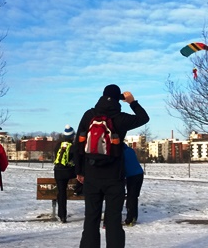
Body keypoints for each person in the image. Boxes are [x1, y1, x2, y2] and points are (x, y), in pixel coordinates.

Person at [75, 84, 149, 248]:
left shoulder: (89, 115)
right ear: (119, 99)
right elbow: (144, 118)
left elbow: (78, 143)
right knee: (113, 221)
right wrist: (132, 102)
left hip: (91, 175)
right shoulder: (120, 118)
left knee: (91, 220)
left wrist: (79, 171)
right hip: (114, 178)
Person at [53, 125, 77, 223]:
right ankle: (78, 190)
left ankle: (62, 215)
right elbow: (76, 160)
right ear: (72, 136)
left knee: (61, 193)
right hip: (69, 172)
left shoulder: (58, 145)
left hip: (58, 172)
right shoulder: (73, 146)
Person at [122, 143, 143, 226]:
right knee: (134, 196)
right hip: (140, 174)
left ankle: (130, 219)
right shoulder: (130, 150)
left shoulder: (120, 153)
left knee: (131, 197)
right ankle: (134, 216)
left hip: (131, 176)